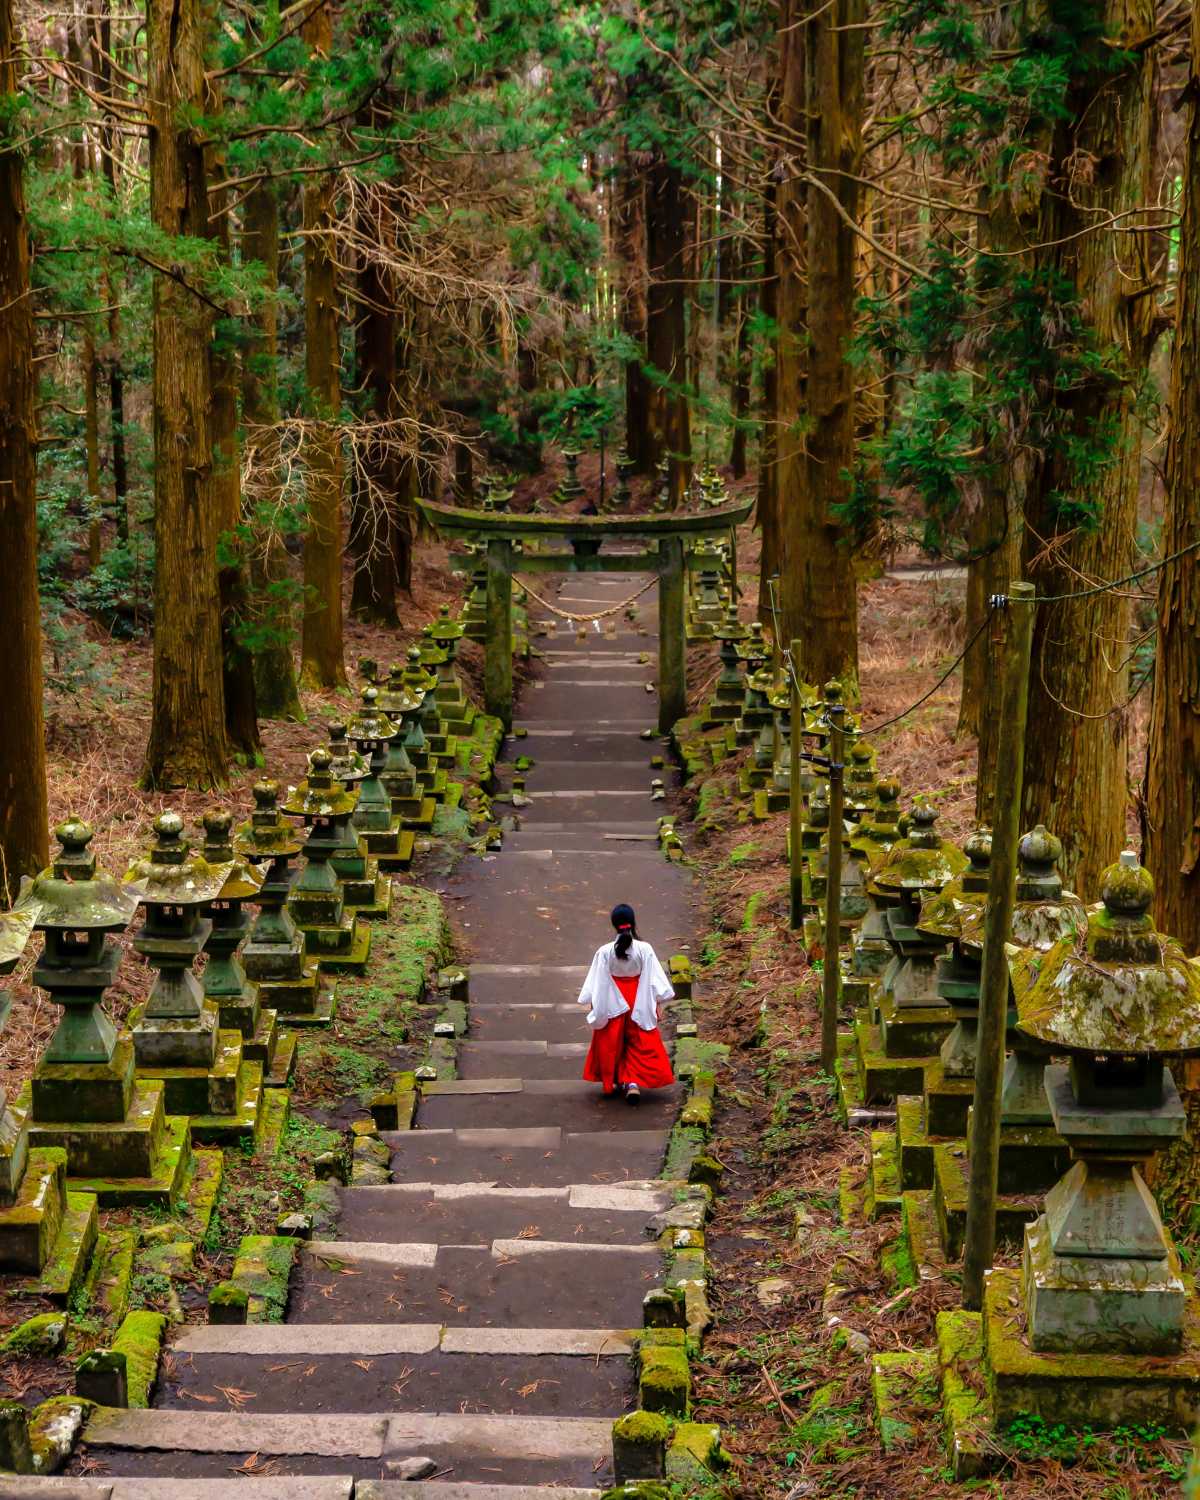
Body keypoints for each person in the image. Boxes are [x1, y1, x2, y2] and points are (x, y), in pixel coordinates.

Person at [578, 903, 675, 1103]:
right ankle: (632, 1083)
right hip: (638, 998)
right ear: (633, 922)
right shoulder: (644, 948)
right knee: (638, 1042)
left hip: (613, 1000)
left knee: (613, 1041)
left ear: (614, 924)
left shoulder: (604, 951)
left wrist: (595, 1003)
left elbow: (597, 981)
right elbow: (653, 978)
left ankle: (615, 1080)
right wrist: (655, 1001)